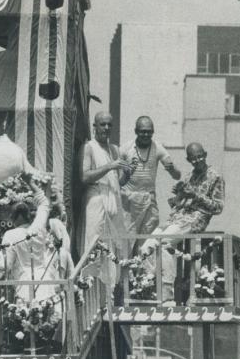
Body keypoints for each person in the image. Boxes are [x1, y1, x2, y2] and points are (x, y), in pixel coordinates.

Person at [142, 144, 224, 300]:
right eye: (193, 159)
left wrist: (195, 195)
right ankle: (150, 286)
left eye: (200, 156)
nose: (197, 161)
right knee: (146, 246)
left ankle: (166, 294)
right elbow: (177, 204)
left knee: (164, 242)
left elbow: (218, 207)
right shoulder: (188, 176)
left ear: (205, 154)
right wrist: (178, 194)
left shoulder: (216, 177)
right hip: (176, 217)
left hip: (195, 219)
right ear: (188, 159)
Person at [79, 112, 132, 261]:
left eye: (109, 125)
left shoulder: (114, 149)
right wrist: (109, 166)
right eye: (103, 124)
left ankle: (110, 285)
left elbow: (116, 182)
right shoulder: (89, 147)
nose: (106, 128)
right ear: (95, 126)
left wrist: (127, 175)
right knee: (94, 241)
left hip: (113, 200)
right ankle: (91, 282)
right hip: (96, 198)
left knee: (113, 244)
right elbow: (84, 176)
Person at [120, 116, 181, 238]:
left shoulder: (157, 147)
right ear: (136, 131)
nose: (146, 135)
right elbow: (117, 181)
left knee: (149, 238)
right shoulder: (125, 148)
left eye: (149, 131)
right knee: (127, 238)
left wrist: (172, 169)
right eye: (142, 131)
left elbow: (177, 175)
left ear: (153, 132)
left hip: (149, 199)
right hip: (128, 199)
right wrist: (126, 174)